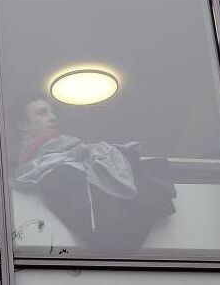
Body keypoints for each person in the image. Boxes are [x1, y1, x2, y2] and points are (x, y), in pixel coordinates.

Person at [11, 96, 175, 254]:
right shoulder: (48, 172)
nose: (53, 118)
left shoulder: (79, 155)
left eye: (52, 112)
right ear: (22, 125)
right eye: (42, 113)